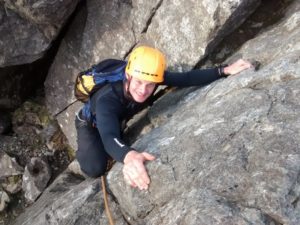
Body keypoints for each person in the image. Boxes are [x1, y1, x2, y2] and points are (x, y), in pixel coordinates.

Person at [75, 46, 253, 190]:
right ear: (128, 76)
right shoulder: (109, 98)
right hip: (91, 124)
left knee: (115, 138)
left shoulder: (147, 74)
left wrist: (224, 70)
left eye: (150, 85)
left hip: (114, 119)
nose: (143, 90)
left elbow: (186, 78)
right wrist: (130, 156)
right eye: (138, 82)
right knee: (95, 168)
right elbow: (108, 136)